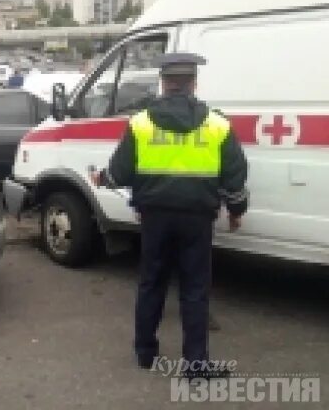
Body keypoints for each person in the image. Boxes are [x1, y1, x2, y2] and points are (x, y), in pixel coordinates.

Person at [91, 53, 249, 378]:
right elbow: (235, 177)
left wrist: (102, 178)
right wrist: (236, 211)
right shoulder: (217, 124)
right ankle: (196, 363)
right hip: (197, 220)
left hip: (154, 219)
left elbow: (120, 173)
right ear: (193, 84)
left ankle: (146, 352)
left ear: (163, 84)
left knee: (151, 282)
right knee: (194, 289)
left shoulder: (141, 123)